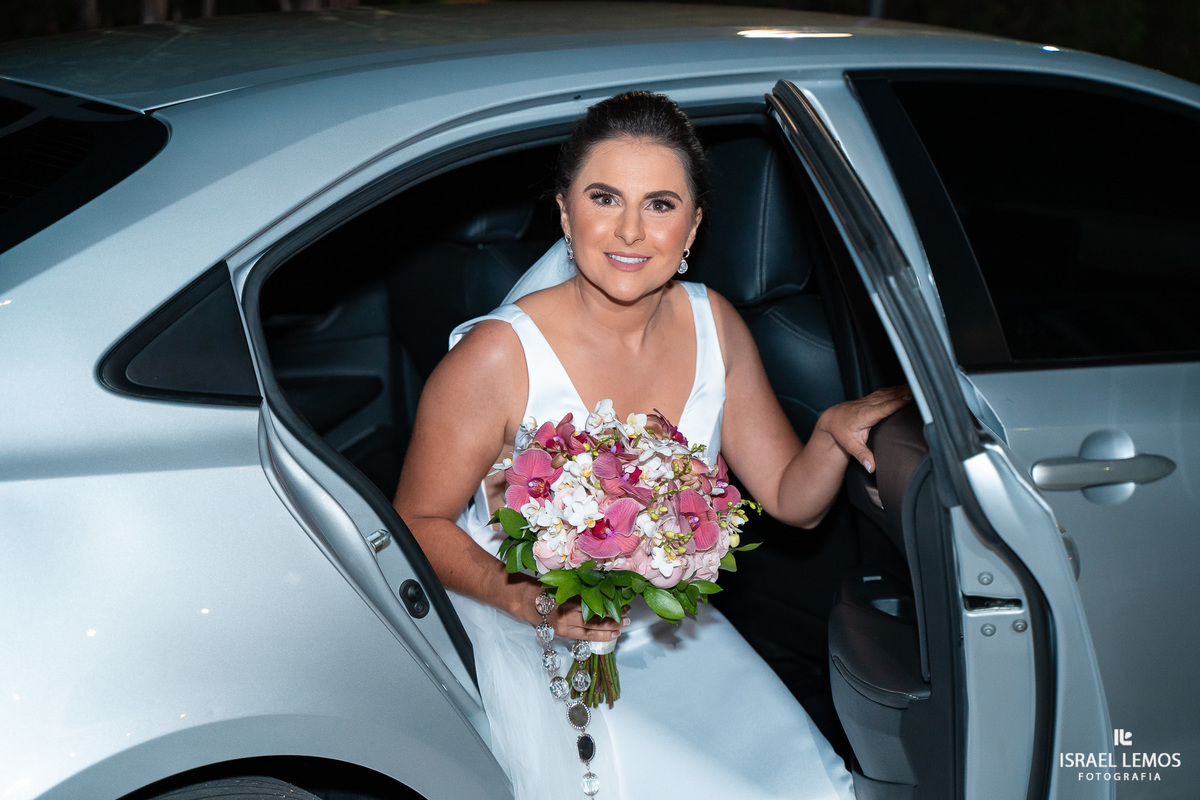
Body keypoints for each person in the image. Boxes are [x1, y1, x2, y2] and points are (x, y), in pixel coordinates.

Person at [393, 91, 909, 799]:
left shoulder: (716, 324)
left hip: (669, 633)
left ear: (693, 225)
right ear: (565, 212)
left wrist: (828, 433)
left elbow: (795, 502)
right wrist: (532, 601)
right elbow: (416, 525)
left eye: (661, 205)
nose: (630, 230)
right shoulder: (497, 357)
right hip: (530, 628)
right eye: (604, 198)